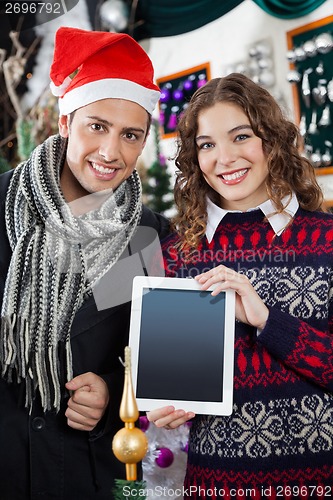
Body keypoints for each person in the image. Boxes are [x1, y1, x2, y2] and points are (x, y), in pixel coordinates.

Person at [0, 27, 169, 499]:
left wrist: (114, 393)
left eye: (130, 135)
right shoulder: (0, 207)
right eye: (97, 126)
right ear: (65, 122)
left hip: (88, 473)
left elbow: (159, 360)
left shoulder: (150, 238)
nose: (111, 153)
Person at [147, 73, 333, 498]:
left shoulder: (327, 239)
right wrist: (167, 406)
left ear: (273, 140)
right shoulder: (176, 255)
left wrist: (268, 320)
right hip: (217, 482)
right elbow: (168, 380)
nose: (225, 158)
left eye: (241, 136)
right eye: (207, 144)